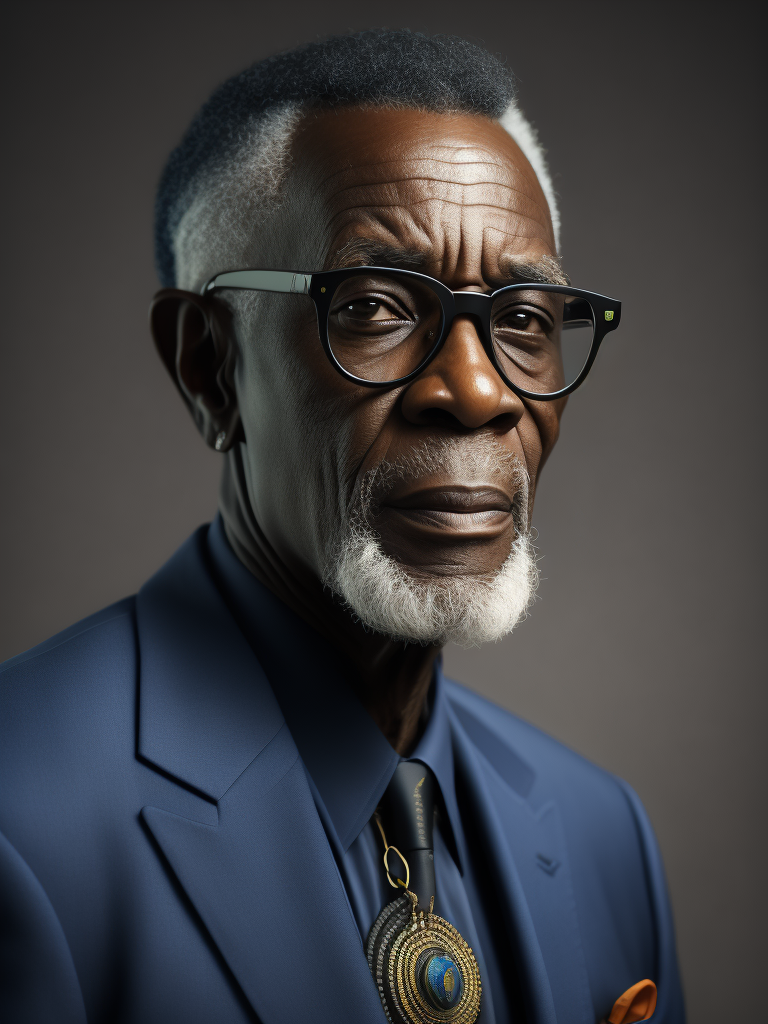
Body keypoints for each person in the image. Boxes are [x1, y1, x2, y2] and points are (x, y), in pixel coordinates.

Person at [0, 29, 685, 1024]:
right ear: (209, 367)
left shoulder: (602, 830)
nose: (479, 389)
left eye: (526, 318)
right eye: (373, 306)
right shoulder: (21, 824)